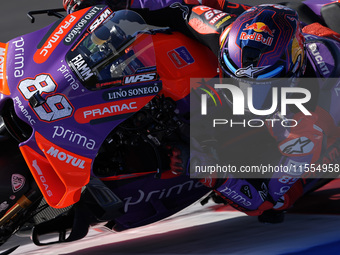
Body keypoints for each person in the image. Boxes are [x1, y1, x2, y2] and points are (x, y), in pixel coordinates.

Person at [63, 0, 340, 220]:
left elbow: (266, 199)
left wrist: (209, 171)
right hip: (299, 29)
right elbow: (180, 5)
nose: (246, 91)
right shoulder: (229, 32)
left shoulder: (307, 128)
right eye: (236, 76)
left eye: (261, 84)